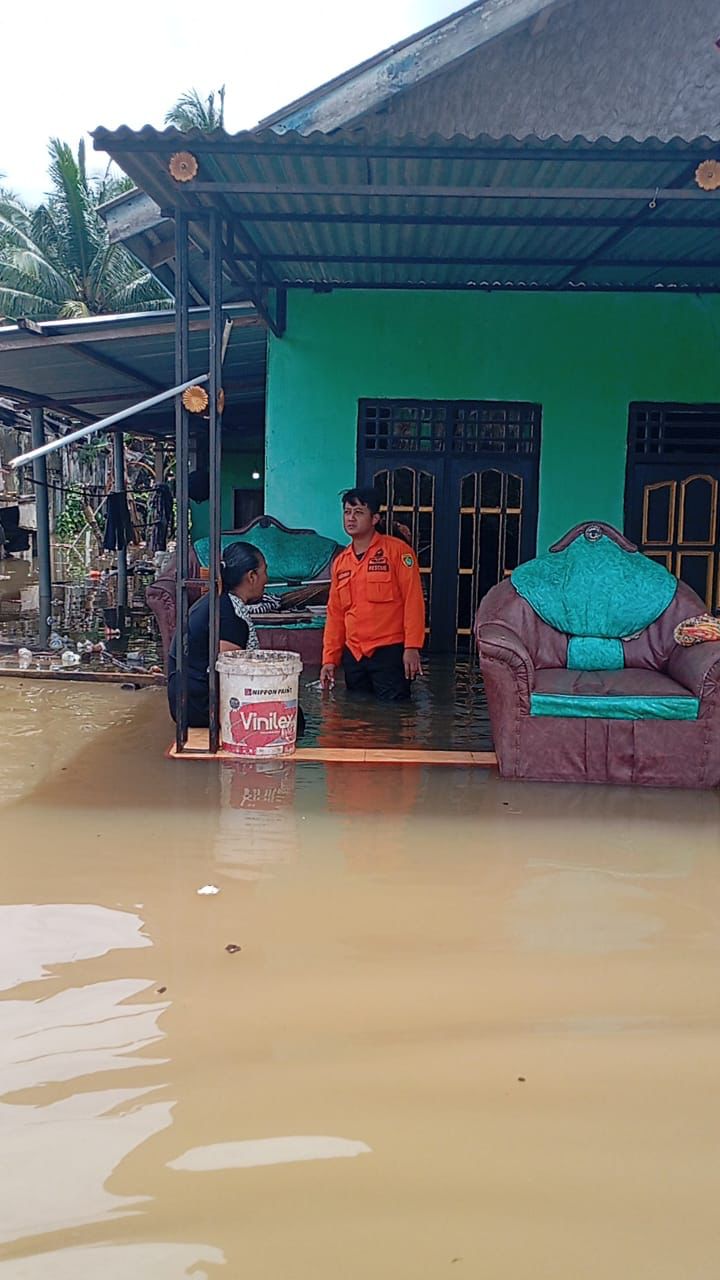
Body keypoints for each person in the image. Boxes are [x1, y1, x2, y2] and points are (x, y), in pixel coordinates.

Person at [167, 541, 306, 735]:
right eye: (264, 571)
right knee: (293, 717)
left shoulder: (217, 602)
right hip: (199, 706)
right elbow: (231, 677)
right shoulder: (231, 616)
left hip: (184, 702)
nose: (267, 579)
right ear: (251, 577)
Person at [320, 487, 426, 701]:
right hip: (354, 654)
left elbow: (413, 601)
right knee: (357, 715)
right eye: (347, 512)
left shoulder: (398, 552)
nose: (351, 518)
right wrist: (329, 660)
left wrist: (412, 647)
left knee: (393, 716)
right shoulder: (341, 562)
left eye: (358, 512)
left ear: (375, 518)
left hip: (389, 652)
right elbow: (335, 614)